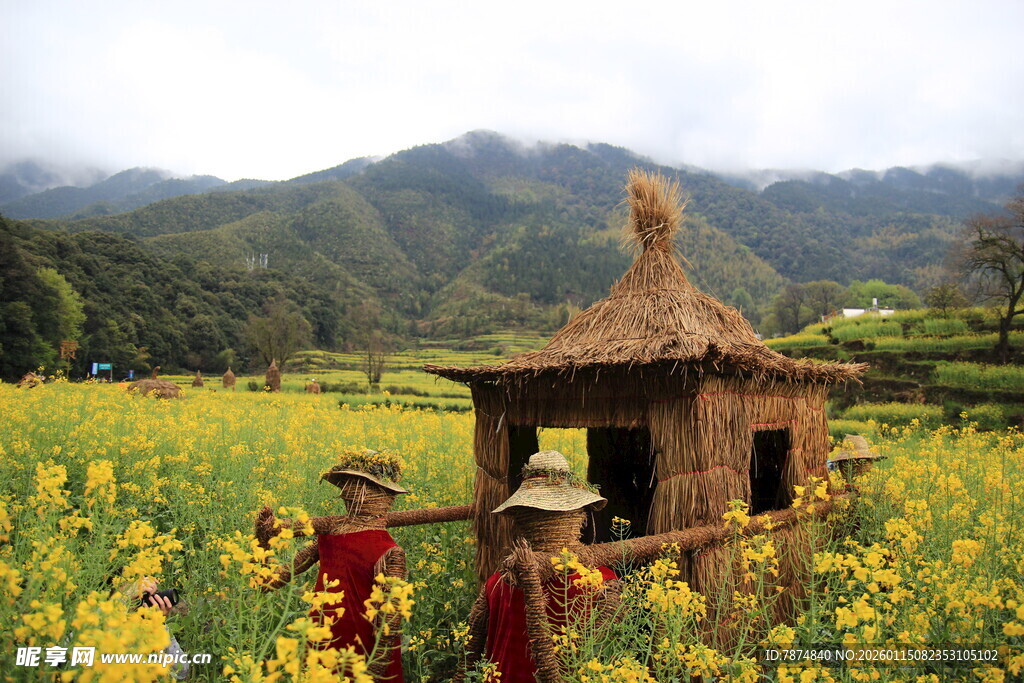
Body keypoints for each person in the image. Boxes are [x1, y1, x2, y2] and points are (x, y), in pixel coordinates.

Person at [462, 451, 618, 683]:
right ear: (578, 514)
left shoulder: (497, 583)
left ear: (520, 517)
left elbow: (470, 648)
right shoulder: (602, 582)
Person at [258, 449, 407, 682]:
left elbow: (390, 620)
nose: (350, 491)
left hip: (363, 647)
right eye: (349, 484)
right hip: (322, 635)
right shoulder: (330, 534)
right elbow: (275, 580)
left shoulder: (389, 551)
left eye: (360, 485)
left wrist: (377, 667)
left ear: (385, 495)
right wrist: (262, 543)